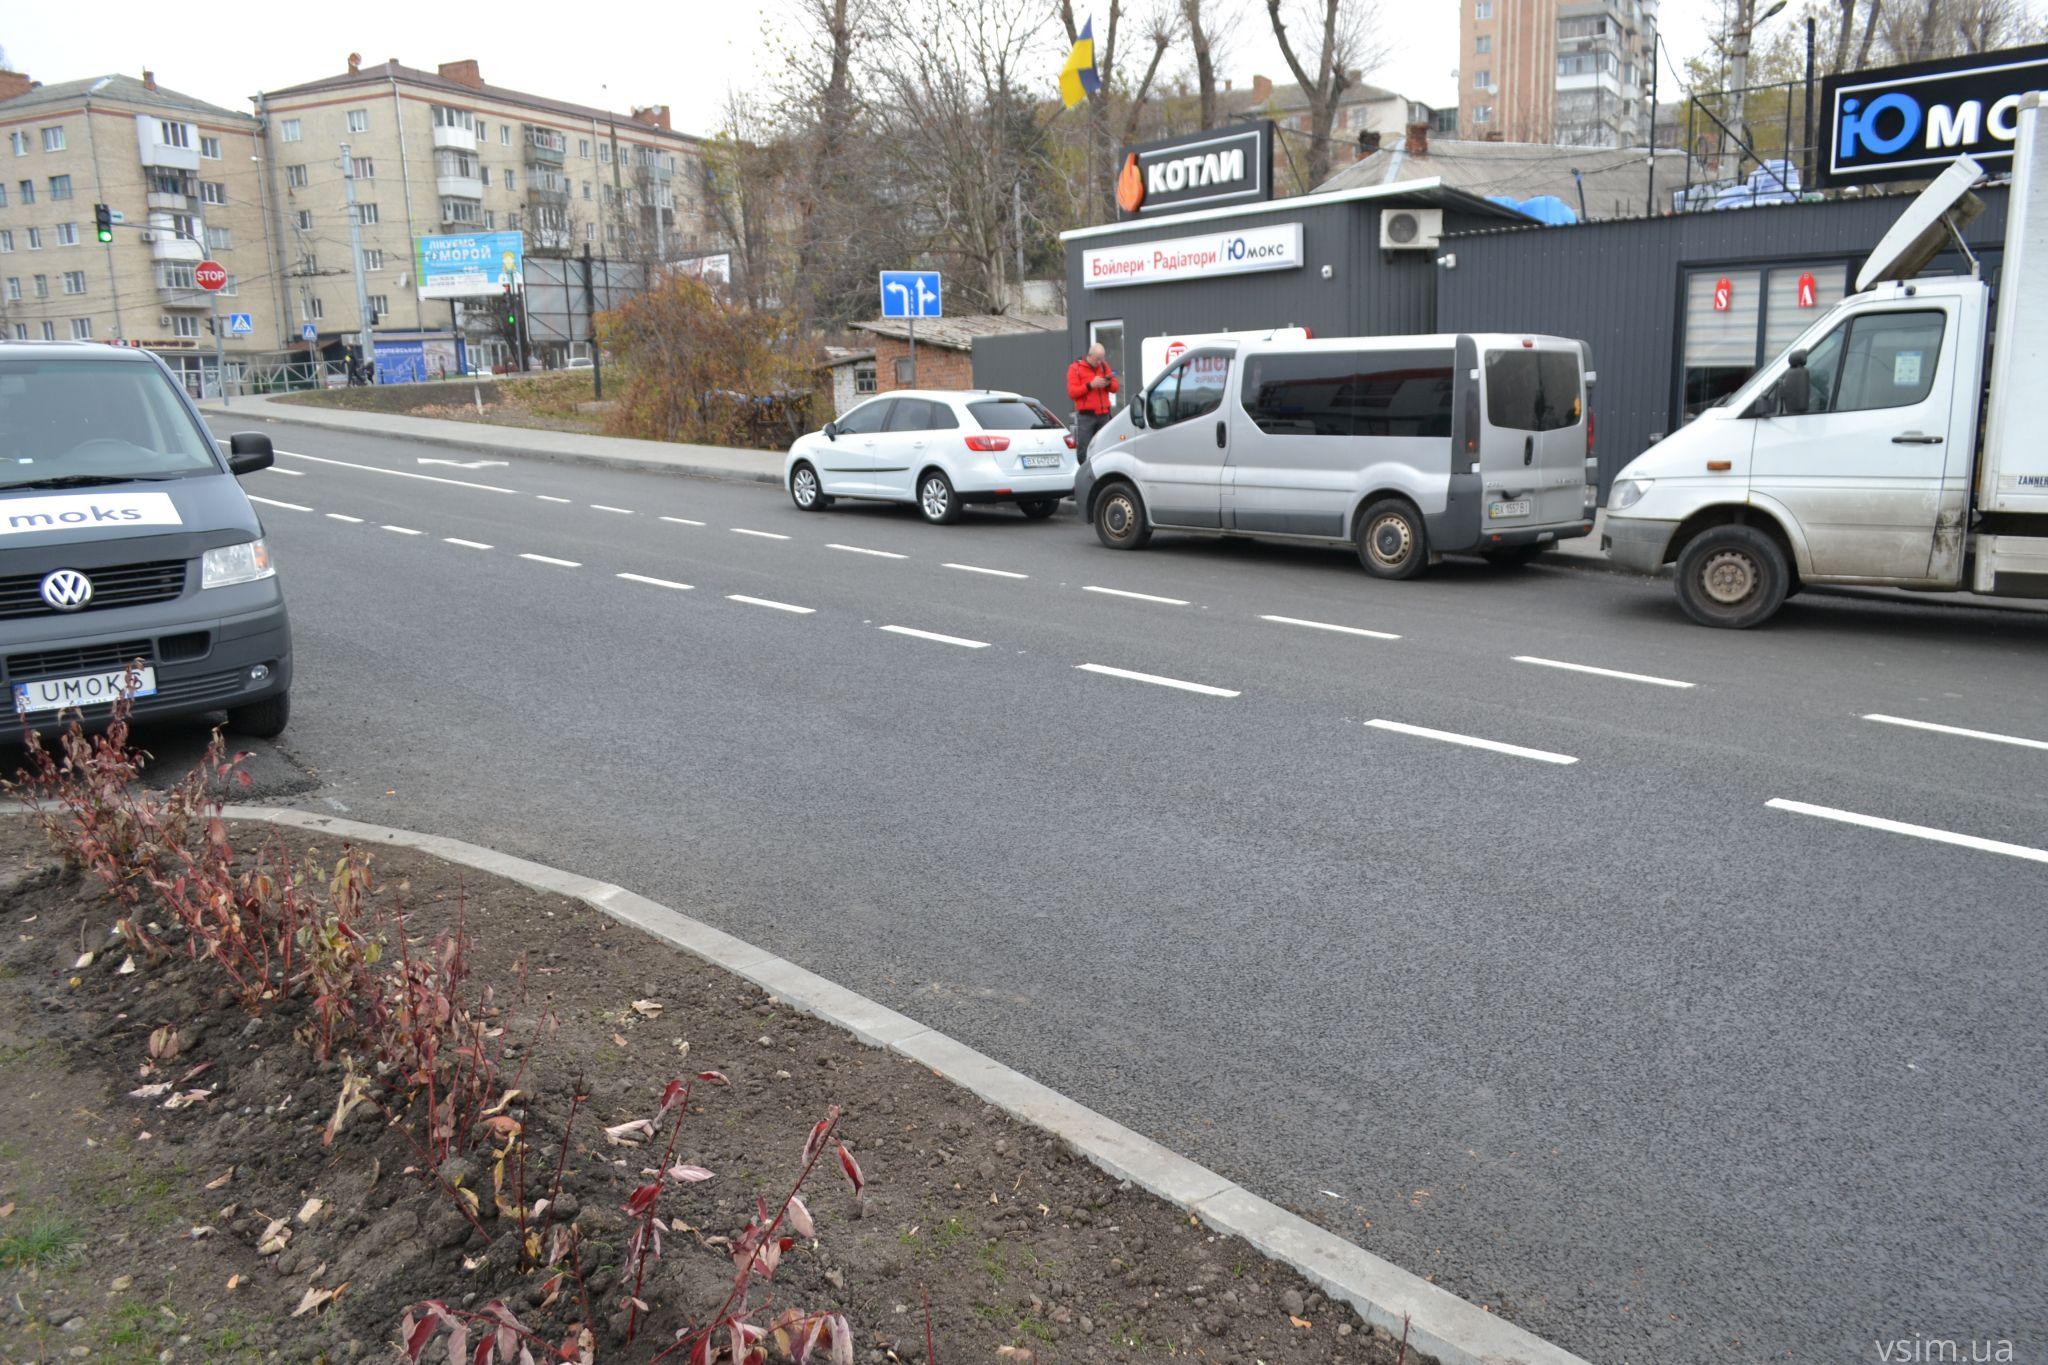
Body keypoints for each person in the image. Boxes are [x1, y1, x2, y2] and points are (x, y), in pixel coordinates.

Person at [1066, 343, 1119, 462]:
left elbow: (1115, 388)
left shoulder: (1104, 366)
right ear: (1089, 356)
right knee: (1085, 448)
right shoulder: (1076, 368)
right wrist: (1090, 385)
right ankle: (1083, 475)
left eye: (1102, 359)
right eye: (1097, 359)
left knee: (1104, 447)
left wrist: (1108, 383)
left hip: (1104, 415)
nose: (1100, 362)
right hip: (1086, 416)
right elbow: (1072, 392)